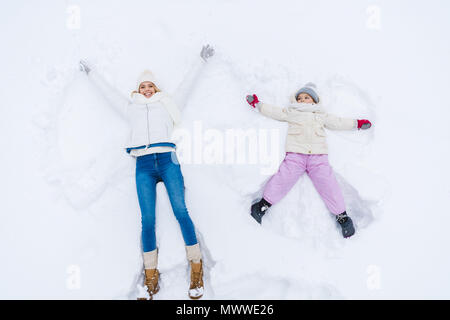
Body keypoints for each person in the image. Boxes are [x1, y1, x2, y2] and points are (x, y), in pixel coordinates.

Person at [79, 44, 215, 299]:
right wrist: (91, 74)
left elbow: (187, 85)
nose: (147, 89)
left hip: (167, 159)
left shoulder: (168, 104)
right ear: (137, 90)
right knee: (148, 220)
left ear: (156, 89)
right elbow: (108, 94)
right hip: (143, 165)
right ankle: (150, 276)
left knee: (181, 211)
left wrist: (200, 60)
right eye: (143, 87)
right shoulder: (131, 107)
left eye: (150, 86)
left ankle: (196, 267)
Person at [246, 83, 372, 238]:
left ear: (314, 101)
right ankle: (262, 206)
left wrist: (356, 124)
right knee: (283, 178)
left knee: (328, 184)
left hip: (318, 157)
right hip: (296, 155)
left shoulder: (321, 115)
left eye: (306, 97)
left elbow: (338, 122)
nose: (302, 100)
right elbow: (275, 112)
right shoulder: (292, 112)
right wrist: (258, 104)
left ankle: (342, 216)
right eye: (299, 98)